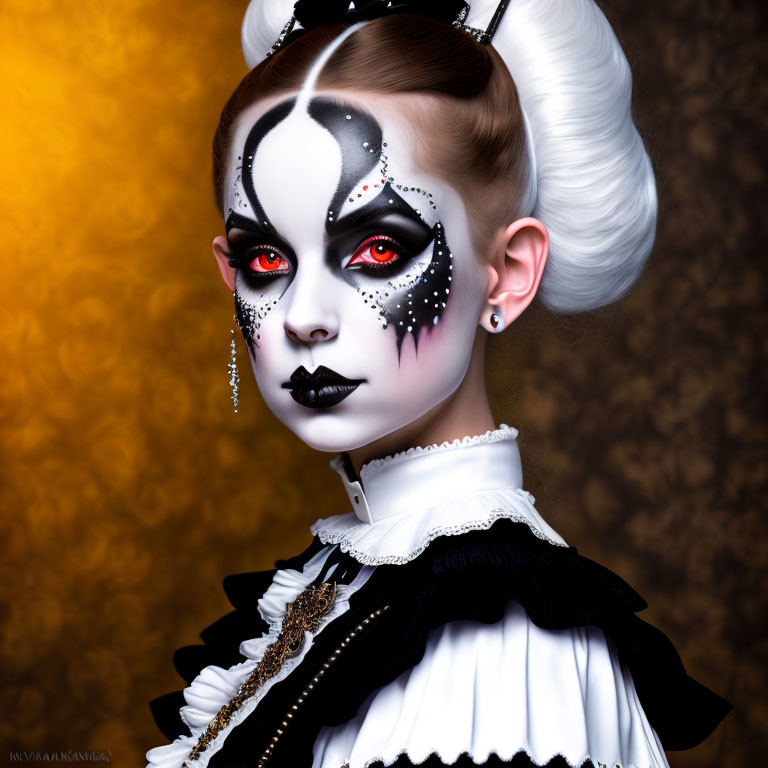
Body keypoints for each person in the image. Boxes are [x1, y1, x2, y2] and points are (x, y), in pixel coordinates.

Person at [146, 1, 732, 766]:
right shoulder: (362, 574)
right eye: (265, 260)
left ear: (509, 272)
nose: (304, 317)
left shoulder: (491, 646)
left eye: (379, 250)